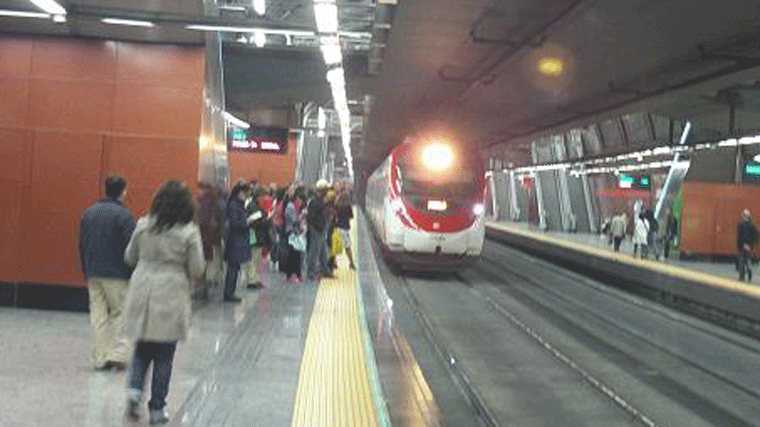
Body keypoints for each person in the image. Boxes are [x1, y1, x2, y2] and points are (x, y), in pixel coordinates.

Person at [123, 181, 204, 424]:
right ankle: (157, 409)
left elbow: (129, 257)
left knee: (141, 350)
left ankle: (134, 393)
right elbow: (197, 267)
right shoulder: (189, 231)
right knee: (164, 357)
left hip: (143, 290)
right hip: (171, 293)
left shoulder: (143, 224)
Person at [79, 175, 135, 371]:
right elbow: (131, 247)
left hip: (93, 271)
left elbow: (82, 243)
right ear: (123, 191)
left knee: (98, 315)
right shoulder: (124, 216)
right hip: (118, 274)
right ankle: (118, 356)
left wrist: (86, 268)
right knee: (120, 313)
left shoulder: (89, 213)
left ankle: (99, 357)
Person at [223, 181, 254, 302]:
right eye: (245, 193)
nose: (247, 195)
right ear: (240, 192)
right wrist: (247, 222)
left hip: (238, 240)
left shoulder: (238, 204)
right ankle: (228, 294)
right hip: (235, 240)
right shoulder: (234, 204)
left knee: (234, 268)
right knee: (232, 268)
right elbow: (234, 222)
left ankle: (230, 292)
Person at [306, 180, 331, 280]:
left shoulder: (320, 201)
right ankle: (310, 272)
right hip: (317, 229)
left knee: (323, 252)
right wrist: (315, 227)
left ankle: (325, 270)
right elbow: (311, 217)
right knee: (315, 251)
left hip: (321, 228)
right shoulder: (314, 201)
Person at [245, 186, 269, 289]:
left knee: (257, 257)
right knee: (253, 257)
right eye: (263, 196)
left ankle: (255, 279)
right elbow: (254, 222)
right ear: (258, 196)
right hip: (253, 234)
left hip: (257, 235)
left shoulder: (255, 206)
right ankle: (251, 280)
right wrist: (265, 220)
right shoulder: (252, 206)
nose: (264, 199)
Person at [283, 188, 305, 281]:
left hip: (293, 232)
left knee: (295, 254)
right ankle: (293, 275)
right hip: (292, 232)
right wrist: (302, 216)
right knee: (294, 254)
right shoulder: (291, 207)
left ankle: (294, 274)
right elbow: (294, 220)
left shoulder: (292, 207)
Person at [335, 189, 356, 269]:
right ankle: (351, 262)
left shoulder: (337, 205)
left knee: (337, 247)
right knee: (347, 247)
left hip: (337, 227)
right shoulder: (348, 206)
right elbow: (351, 216)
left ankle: (336, 262)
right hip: (345, 228)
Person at [737, 209, 759, 282]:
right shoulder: (751, 224)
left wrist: (739, 245)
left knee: (742, 262)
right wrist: (753, 244)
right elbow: (756, 234)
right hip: (748, 245)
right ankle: (748, 275)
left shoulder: (741, 224)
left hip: (743, 245)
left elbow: (739, 236)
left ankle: (742, 277)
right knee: (747, 261)